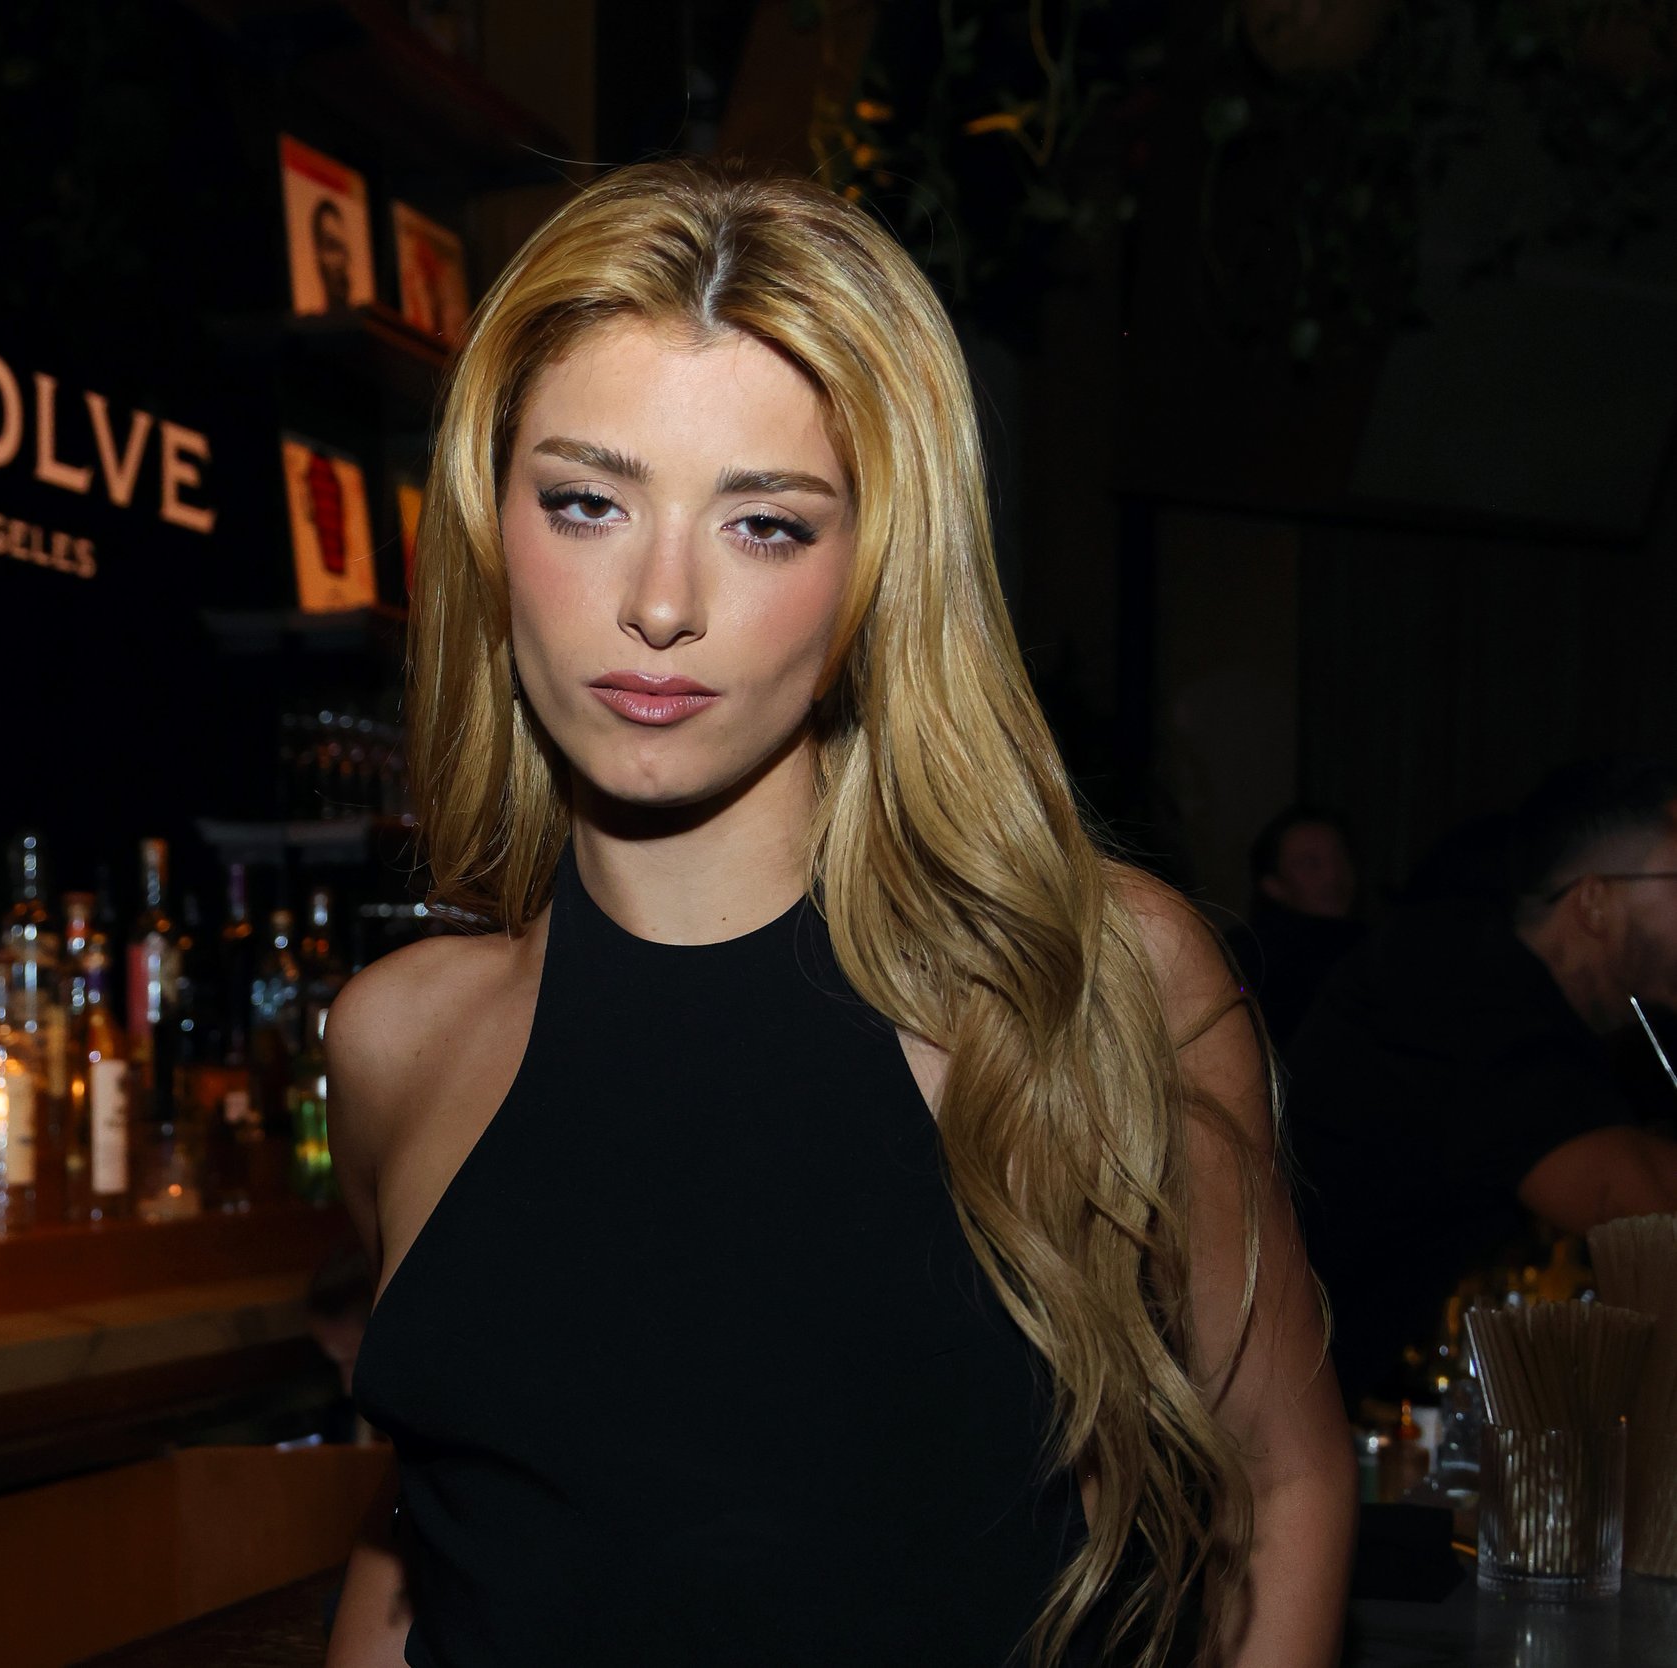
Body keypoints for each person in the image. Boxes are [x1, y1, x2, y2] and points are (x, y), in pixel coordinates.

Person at [321, 161, 1351, 1668]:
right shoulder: (398, 1036)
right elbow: (433, 1538)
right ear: (488, 525)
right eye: (588, 501)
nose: (659, 600)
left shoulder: (1085, 983)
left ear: (878, 568)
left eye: (766, 525)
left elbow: (1284, 1479)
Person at [1286, 757, 1677, 1410]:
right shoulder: (1463, 983)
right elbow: (1640, 1209)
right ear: (1596, 901)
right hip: (1250, 1432)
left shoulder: (1528, 998)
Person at [1225, 806, 1368, 1047]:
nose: (1333, 876)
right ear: (1273, 884)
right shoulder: (1251, 957)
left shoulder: (1374, 949)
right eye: (1310, 864)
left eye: (1341, 857)